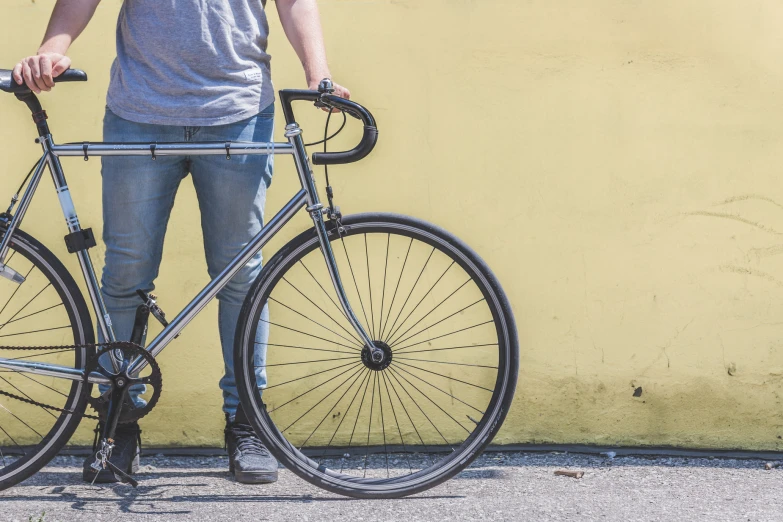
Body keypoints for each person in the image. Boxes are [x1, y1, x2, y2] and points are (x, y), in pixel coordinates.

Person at [13, 0, 350, 485]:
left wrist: (318, 73)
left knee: (240, 275)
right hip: (140, 108)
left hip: (239, 110)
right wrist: (52, 47)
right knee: (126, 272)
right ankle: (117, 424)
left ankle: (247, 423)